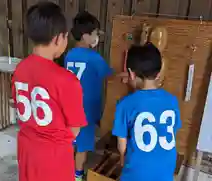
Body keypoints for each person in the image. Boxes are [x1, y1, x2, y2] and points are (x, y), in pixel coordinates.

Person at [11, 2, 87, 181]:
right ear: (58, 39)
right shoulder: (67, 80)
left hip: (27, 150)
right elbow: (74, 128)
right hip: (54, 156)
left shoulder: (20, 69)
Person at [64, 11, 127, 181]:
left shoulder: (69, 55)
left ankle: (65, 171)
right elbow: (109, 74)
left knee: (69, 142)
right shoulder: (94, 58)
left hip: (68, 107)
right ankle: (77, 176)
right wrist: (125, 75)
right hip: (86, 111)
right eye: (95, 34)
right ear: (85, 36)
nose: (96, 38)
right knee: (82, 148)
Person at [112, 43, 182, 181]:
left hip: (136, 172)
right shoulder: (172, 101)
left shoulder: (125, 104)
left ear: (131, 73)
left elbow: (122, 146)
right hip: (165, 172)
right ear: (158, 73)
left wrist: (122, 160)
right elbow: (172, 132)